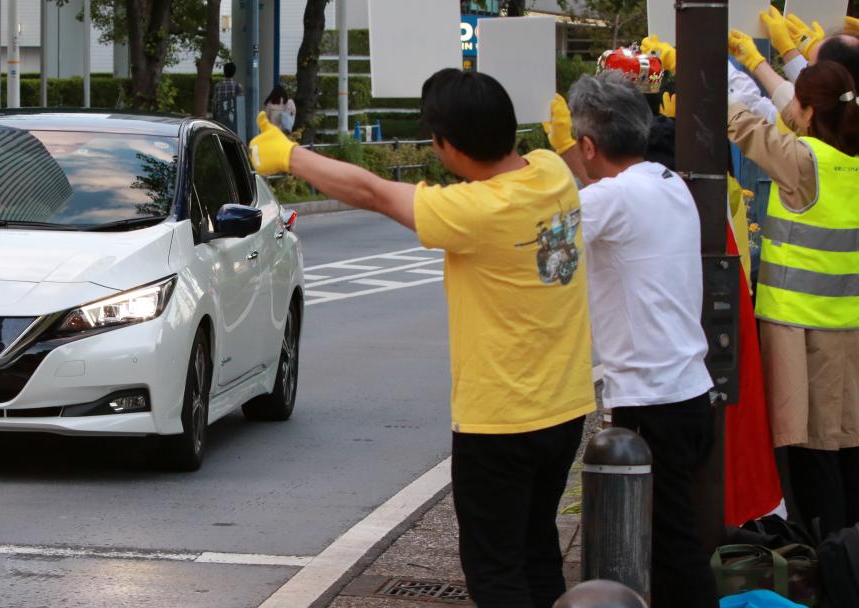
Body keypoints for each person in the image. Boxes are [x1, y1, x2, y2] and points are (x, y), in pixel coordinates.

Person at [251, 68, 595, 608]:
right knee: (536, 550)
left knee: (496, 571)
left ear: (448, 147)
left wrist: (287, 154)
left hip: (501, 421)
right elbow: (573, 161)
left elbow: (371, 191)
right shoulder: (552, 172)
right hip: (565, 407)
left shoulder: (476, 211)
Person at [548, 75, 717, 608]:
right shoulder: (667, 181)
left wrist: (553, 169)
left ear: (589, 146)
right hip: (688, 388)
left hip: (652, 400)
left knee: (669, 548)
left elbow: (549, 259)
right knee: (672, 541)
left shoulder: (612, 198)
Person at [722, 35, 859, 536]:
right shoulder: (844, 158)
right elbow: (778, 113)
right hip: (849, 324)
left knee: (809, 448)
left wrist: (692, 69)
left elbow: (746, 124)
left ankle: (830, 558)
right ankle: (849, 554)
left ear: (805, 110)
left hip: (798, 329)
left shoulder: (804, 163)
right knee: (846, 441)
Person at [212, 62, 243, 130]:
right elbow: (240, 106)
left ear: (224, 72)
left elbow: (214, 103)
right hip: (233, 119)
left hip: (220, 118)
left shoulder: (217, 86)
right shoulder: (238, 86)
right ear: (234, 72)